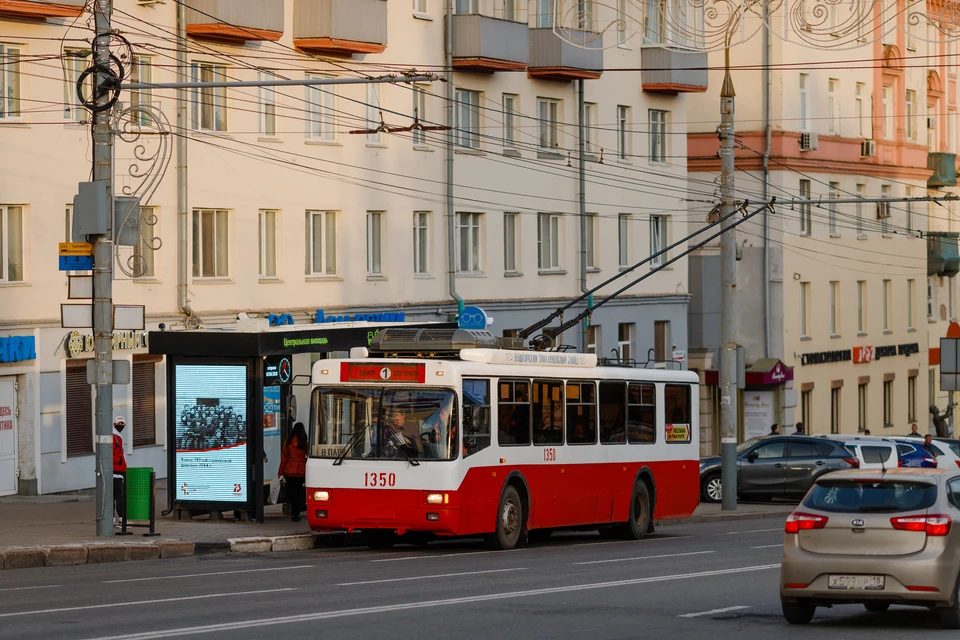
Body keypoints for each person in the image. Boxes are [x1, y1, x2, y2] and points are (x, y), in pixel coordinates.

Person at [279, 422, 308, 522]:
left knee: (292, 493)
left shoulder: (288, 441)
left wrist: (280, 472)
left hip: (289, 471)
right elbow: (308, 456)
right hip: (301, 471)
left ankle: (294, 513)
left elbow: (284, 458)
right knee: (299, 491)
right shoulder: (305, 442)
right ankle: (297, 512)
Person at [112, 416, 127, 527]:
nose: (121, 425)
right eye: (119, 423)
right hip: (116, 471)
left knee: (116, 495)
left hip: (119, 470)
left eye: (122, 424)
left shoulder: (118, 437)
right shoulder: (114, 437)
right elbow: (111, 454)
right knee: (118, 495)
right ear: (114, 424)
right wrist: (119, 461)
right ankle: (120, 518)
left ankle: (117, 519)